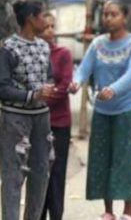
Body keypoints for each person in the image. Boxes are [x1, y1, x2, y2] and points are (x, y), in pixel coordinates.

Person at [70, 0, 131, 220]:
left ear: (125, 17)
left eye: (114, 14)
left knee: (126, 157)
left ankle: (128, 211)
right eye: (105, 14)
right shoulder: (98, 44)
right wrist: (76, 82)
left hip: (127, 108)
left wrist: (113, 89)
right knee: (103, 156)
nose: (108, 18)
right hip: (103, 110)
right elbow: (84, 69)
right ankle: (108, 210)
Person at [0, 0, 55, 220]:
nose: (45, 20)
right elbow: (2, 87)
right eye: (42, 16)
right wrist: (32, 95)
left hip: (41, 118)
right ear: (31, 18)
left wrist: (51, 88)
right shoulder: (8, 48)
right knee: (13, 176)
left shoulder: (44, 46)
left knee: (41, 175)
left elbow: (48, 75)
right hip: (14, 119)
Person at [40, 13, 74, 220]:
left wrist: (40, 98)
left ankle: (57, 215)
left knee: (57, 172)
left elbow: (64, 87)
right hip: (36, 122)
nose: (50, 31)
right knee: (39, 172)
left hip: (59, 121)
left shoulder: (63, 53)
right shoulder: (33, 53)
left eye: (53, 26)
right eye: (46, 27)